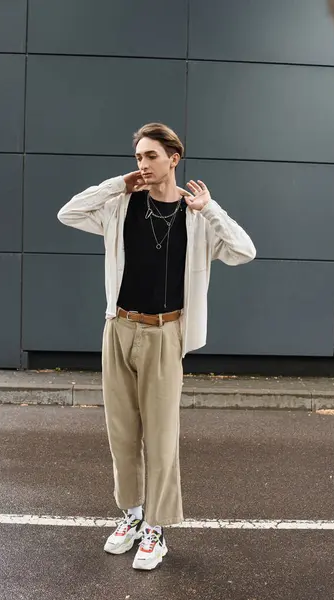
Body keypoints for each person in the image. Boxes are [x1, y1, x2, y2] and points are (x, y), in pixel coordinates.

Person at [57, 122, 256, 570]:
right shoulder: (121, 205)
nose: (142, 165)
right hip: (118, 329)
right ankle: (131, 514)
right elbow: (67, 213)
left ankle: (157, 529)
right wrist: (117, 183)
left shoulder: (196, 217)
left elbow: (245, 251)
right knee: (122, 433)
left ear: (174, 158)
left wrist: (211, 209)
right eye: (138, 158)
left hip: (166, 333)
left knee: (161, 437)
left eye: (150, 157)